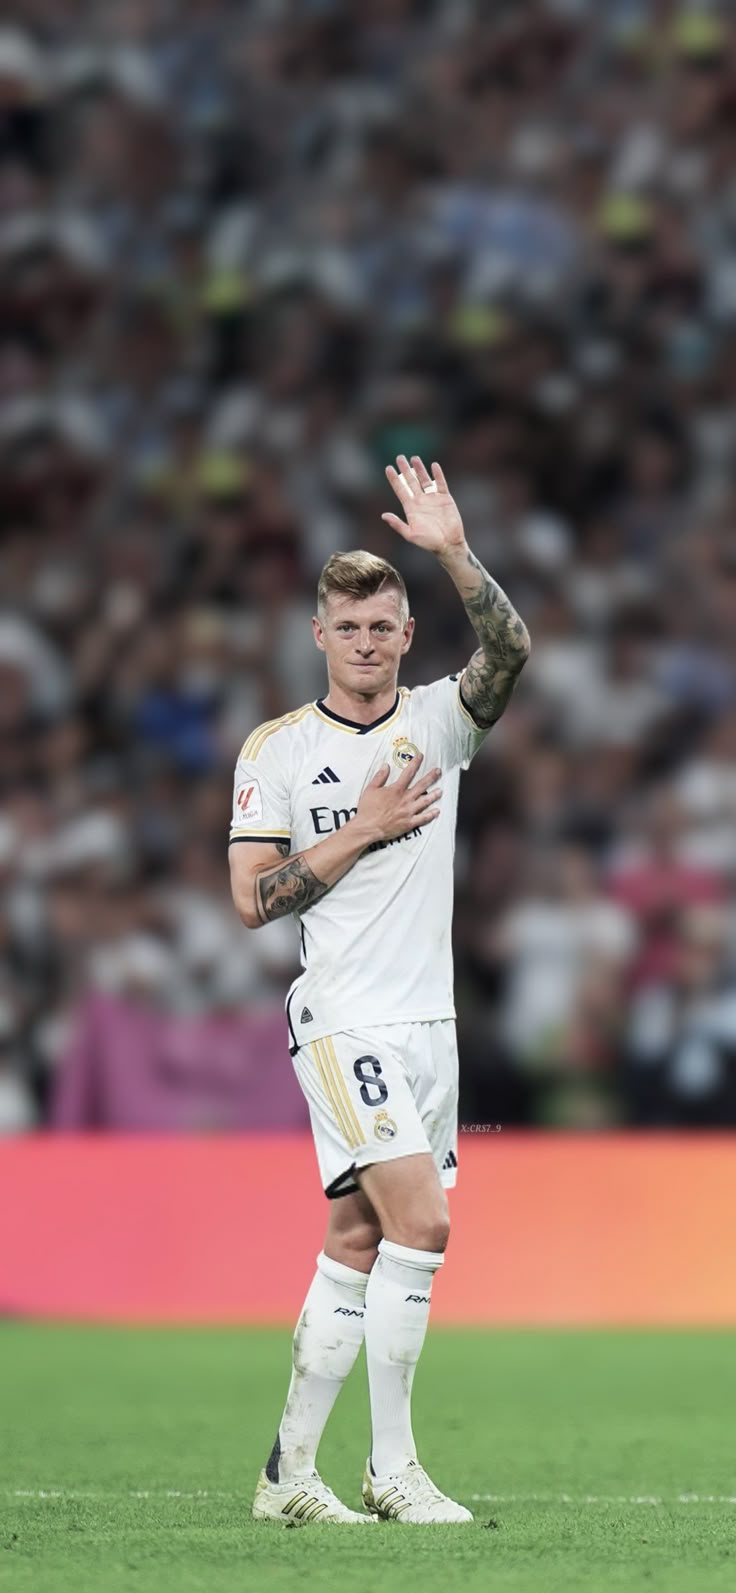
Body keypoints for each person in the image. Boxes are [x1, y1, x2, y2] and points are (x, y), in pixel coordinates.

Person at [229, 454, 530, 1525]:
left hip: (428, 1025)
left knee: (358, 1240)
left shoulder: (442, 723)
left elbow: (511, 648)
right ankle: (392, 1469)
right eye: (347, 627)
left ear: (406, 634)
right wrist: (358, 830)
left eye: (383, 626)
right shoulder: (276, 754)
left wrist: (450, 552)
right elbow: (254, 902)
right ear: (319, 635)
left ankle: (287, 1479)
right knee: (426, 1224)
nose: (365, 642)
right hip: (342, 1015)